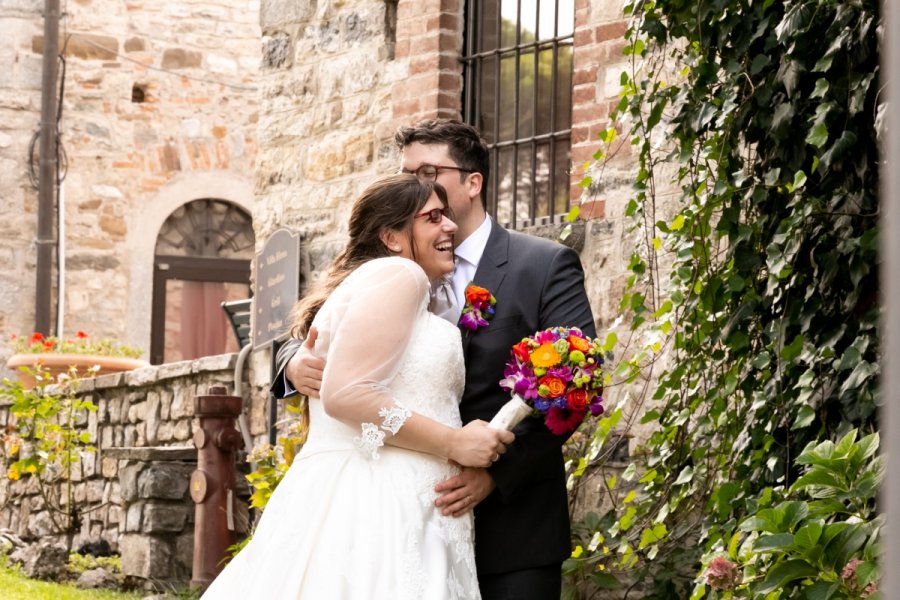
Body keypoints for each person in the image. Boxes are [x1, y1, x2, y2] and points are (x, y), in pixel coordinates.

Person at [276, 120, 596, 599]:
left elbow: (575, 378)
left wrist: (494, 473)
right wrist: (292, 362)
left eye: (428, 170)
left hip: (512, 524)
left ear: (473, 182)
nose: (415, 182)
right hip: (398, 512)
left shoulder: (543, 265)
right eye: (406, 172)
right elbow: (322, 320)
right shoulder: (392, 269)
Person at [204, 174, 514, 600]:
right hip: (381, 506)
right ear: (391, 236)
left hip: (398, 500)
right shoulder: (399, 275)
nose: (450, 227)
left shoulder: (384, 283)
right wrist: (454, 442)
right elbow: (346, 394)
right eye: (433, 218)